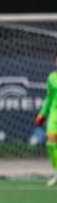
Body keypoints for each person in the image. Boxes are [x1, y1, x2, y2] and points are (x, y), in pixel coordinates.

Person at [35, 52, 57, 187]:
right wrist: (41, 114)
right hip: (55, 115)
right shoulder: (51, 78)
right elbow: (49, 98)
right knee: (50, 143)